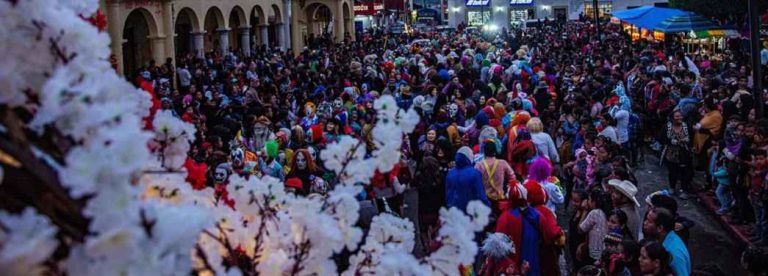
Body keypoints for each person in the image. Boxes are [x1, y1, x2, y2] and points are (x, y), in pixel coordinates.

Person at [642, 208, 691, 276]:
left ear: (660, 228)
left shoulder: (673, 253)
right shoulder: (664, 239)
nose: (645, 223)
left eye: (649, 221)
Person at [446, 146, 490, 211]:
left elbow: (448, 192)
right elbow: (480, 194)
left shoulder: (450, 173)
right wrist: (487, 205)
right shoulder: (474, 173)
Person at [475, 140, 515, 212]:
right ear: (495, 150)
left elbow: (475, 181)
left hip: (485, 199)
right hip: (500, 198)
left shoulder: (479, 165)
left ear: (484, 151)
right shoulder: (503, 163)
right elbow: (513, 177)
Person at [578, 189, 611, 270]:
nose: (588, 201)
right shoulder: (607, 211)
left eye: (589, 199)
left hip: (594, 253)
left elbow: (581, 229)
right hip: (605, 251)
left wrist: (585, 211)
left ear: (594, 202)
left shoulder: (595, 213)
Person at [664, 110, 693, 199]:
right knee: (672, 172)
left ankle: (684, 190)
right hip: (671, 153)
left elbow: (691, 137)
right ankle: (672, 187)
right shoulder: (667, 127)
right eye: (677, 116)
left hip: (684, 153)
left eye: (680, 116)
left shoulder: (686, 126)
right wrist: (671, 141)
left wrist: (685, 142)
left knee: (685, 172)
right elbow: (662, 138)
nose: (679, 118)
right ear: (672, 118)